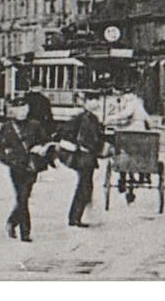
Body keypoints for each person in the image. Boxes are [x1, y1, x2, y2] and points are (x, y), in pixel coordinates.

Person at [0, 94, 48, 243]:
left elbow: (45, 142)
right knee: (22, 198)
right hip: (16, 168)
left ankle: (12, 221)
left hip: (31, 167)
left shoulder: (35, 125)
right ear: (13, 111)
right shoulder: (7, 127)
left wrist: (41, 149)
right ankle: (25, 232)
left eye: (25, 108)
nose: (23, 112)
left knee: (23, 197)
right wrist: (8, 161)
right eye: (19, 109)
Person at [59, 88, 106, 228]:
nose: (94, 102)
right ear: (85, 103)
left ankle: (77, 216)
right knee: (84, 186)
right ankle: (75, 218)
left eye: (96, 100)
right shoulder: (85, 118)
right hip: (84, 156)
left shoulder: (91, 118)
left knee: (86, 185)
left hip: (87, 156)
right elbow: (88, 138)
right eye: (91, 100)